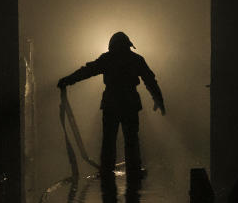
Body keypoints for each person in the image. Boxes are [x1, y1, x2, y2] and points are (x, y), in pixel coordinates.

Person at [57, 31, 165, 179]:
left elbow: (87, 71)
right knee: (131, 139)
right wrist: (158, 100)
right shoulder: (136, 59)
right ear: (128, 45)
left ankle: (107, 171)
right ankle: (133, 170)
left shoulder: (107, 59)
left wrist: (67, 80)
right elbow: (150, 80)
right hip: (130, 103)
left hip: (111, 103)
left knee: (109, 139)